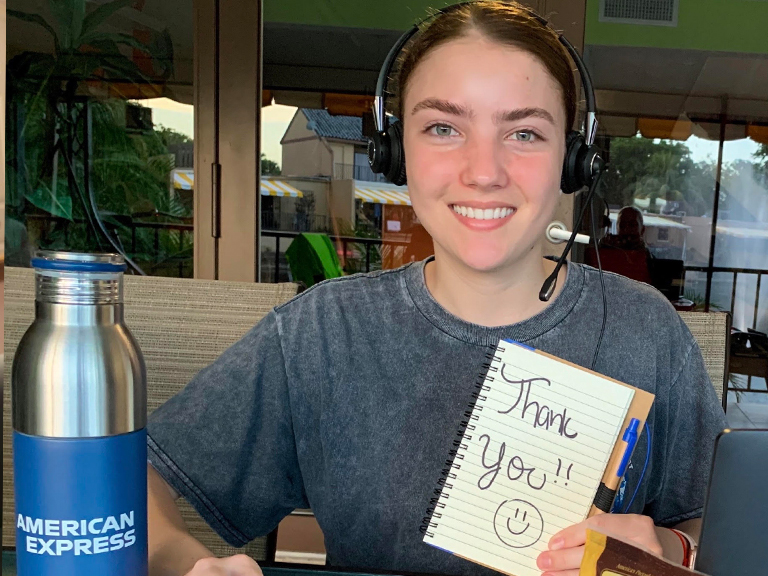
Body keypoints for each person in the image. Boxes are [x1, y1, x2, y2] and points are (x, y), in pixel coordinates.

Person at [146, 3, 726, 575]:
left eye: (524, 133)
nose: (483, 170)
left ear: (573, 162)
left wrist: (673, 549)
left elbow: (724, 523)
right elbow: (135, 479)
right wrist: (188, 563)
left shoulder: (646, 332)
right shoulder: (322, 333)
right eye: (443, 128)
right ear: (396, 153)